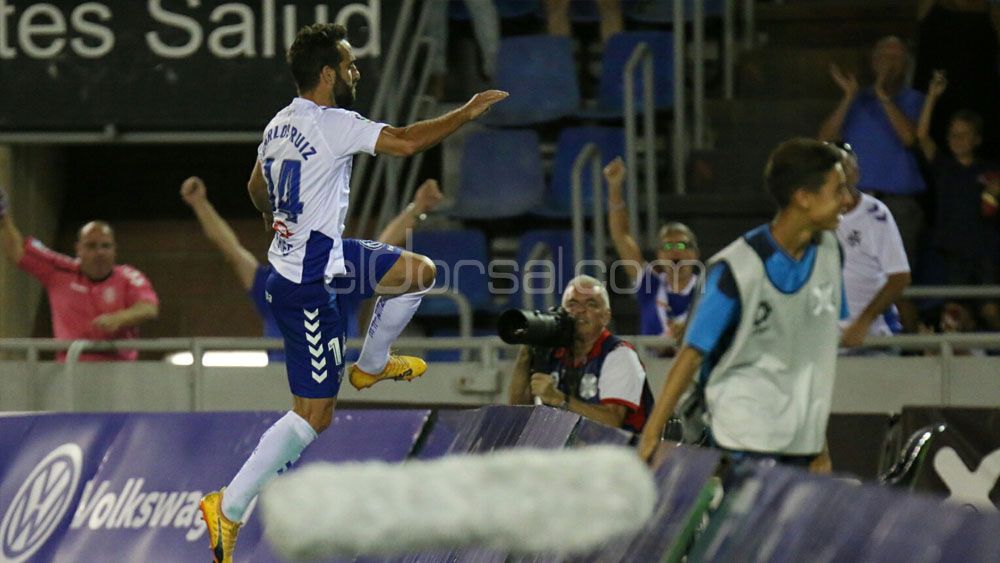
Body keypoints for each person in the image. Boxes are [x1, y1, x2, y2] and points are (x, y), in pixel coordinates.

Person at [198, 22, 507, 563]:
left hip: (323, 260)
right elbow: (407, 141)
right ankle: (229, 506)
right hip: (307, 285)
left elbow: (254, 187)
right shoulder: (332, 123)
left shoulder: (277, 126)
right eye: (347, 63)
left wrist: (277, 223)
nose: (354, 71)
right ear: (326, 74)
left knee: (418, 272)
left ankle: (372, 363)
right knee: (313, 417)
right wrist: (466, 112)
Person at [638, 139, 851, 471]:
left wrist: (818, 445)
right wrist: (650, 437)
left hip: (800, 441)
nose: (848, 200)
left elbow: (806, 355)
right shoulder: (734, 270)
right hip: (742, 437)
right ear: (804, 197)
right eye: (838, 190)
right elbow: (690, 355)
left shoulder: (831, 254)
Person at [180, 175, 445, 359]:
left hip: (342, 394)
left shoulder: (343, 284)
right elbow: (232, 251)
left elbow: (384, 245)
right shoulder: (271, 287)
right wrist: (200, 204)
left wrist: (418, 207)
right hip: (279, 391)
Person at [0, 186, 159, 361]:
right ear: (79, 249)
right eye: (91, 246)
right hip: (71, 372)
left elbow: (149, 308)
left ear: (115, 250)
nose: (99, 252)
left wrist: (120, 318)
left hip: (119, 371)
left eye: (106, 246)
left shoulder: (129, 277)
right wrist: (3, 217)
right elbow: (16, 251)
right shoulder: (59, 271)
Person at [818, 36, 926, 266]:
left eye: (895, 57)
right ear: (873, 62)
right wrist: (848, 98)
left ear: (906, 64)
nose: (888, 63)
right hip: (854, 201)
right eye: (884, 56)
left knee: (896, 277)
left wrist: (884, 97)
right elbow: (825, 139)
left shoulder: (915, 99)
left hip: (898, 204)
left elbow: (909, 138)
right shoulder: (858, 99)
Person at [509, 275, 654, 433]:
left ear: (606, 316)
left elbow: (612, 422)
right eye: (572, 304)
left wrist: (560, 399)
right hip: (569, 453)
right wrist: (525, 355)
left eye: (591, 304)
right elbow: (517, 413)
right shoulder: (555, 353)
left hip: (619, 453)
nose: (580, 310)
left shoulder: (619, 354)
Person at [604, 157, 701, 346]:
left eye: (681, 246)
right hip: (652, 370)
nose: (675, 252)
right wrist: (614, 188)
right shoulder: (650, 285)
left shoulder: (706, 290)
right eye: (667, 247)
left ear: (695, 254)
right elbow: (621, 236)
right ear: (659, 256)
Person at [917, 71, 1000, 287]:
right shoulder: (944, 167)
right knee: (954, 313)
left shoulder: (991, 170)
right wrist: (932, 97)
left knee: (990, 308)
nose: (958, 140)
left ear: (977, 139)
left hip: (985, 251)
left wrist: (994, 192)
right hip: (952, 251)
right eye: (954, 134)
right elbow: (922, 136)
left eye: (964, 135)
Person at [831, 143, 912, 349]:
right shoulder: (809, 216)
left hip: (872, 339)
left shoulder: (875, 215)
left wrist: (863, 323)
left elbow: (899, 277)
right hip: (826, 342)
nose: (837, 174)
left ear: (855, 173)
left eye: (843, 166)